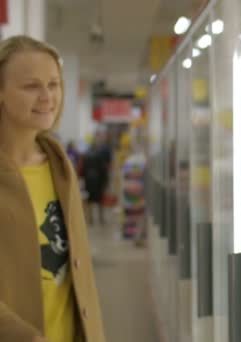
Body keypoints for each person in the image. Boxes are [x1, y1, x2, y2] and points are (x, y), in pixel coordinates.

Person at [0, 36, 105, 342]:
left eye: (54, 84)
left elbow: (77, 275)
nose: (47, 97)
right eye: (31, 86)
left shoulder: (60, 165)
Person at [81, 132, 112, 225]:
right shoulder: (100, 156)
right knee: (100, 201)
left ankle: (90, 219)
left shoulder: (86, 156)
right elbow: (103, 170)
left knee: (90, 201)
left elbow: (82, 170)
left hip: (89, 181)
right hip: (98, 181)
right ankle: (101, 219)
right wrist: (106, 182)